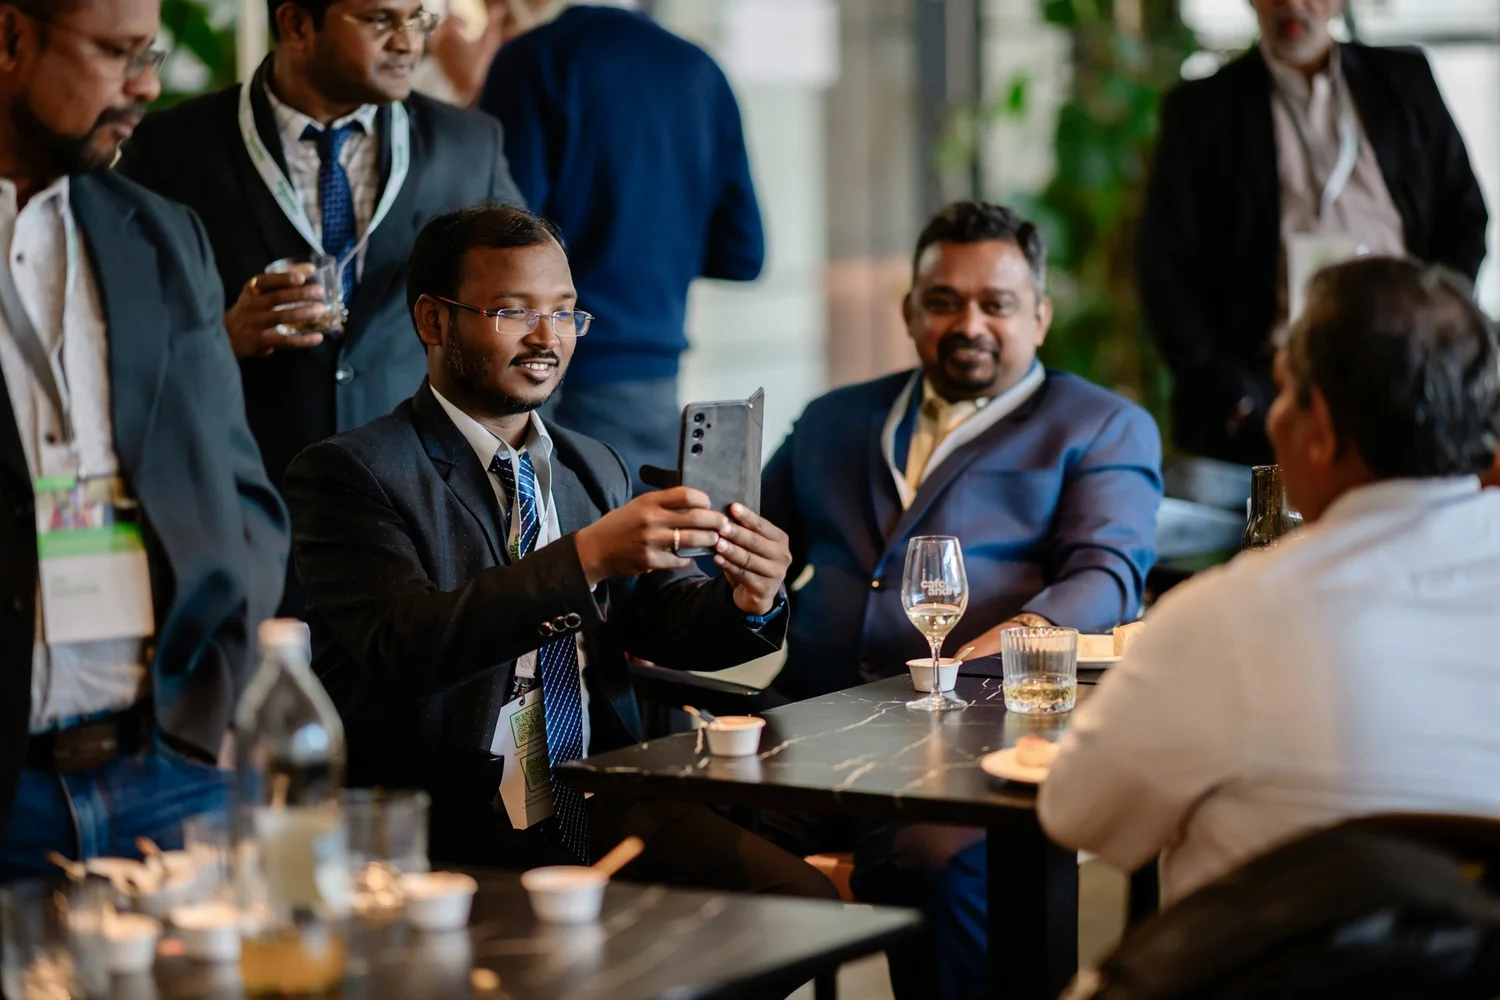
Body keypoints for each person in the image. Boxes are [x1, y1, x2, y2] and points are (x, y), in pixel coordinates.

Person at [283, 203, 834, 901]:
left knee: (802, 904)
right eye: (514, 311)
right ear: (432, 320)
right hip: (457, 819)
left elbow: (656, 614)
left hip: (600, 793)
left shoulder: (589, 464)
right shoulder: (350, 472)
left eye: (566, 312)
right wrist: (585, 559)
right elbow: (404, 644)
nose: (548, 337)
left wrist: (749, 598)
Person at [756, 201, 1162, 998]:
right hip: (808, 733)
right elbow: (749, 547)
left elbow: (1107, 574)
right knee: (685, 833)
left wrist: (1023, 632)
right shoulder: (835, 419)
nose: (968, 323)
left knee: (930, 860)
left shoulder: (1101, 426)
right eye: (943, 302)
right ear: (910, 311)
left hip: (980, 747)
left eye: (996, 304)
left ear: (1039, 316)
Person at [1041, 257, 1500, 905]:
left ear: (1324, 434)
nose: (1272, 419)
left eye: (1284, 392)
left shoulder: (1233, 618)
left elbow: (1075, 812)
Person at [0, 0, 287, 881]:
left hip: (169, 770)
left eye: (150, 52)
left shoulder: (163, 235)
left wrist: (221, 696)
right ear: (11, 38)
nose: (147, 85)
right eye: (115, 52)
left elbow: (236, 487)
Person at [117, 0, 523, 612]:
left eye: (418, 19)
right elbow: (119, 338)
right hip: (245, 508)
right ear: (298, 24)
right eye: (380, 20)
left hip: (422, 513)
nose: (406, 40)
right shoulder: (171, 149)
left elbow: (527, 315)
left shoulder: (467, 144)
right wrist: (219, 339)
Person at [1139, 0, 1487, 466]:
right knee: (1268, 534)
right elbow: (1164, 263)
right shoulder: (1203, 109)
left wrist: (1438, 324)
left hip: (1406, 366)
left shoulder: (1404, 81)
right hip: (1273, 381)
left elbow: (1465, 213)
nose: (1292, 4)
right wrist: (1224, 385)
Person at [479, 0, 764, 491]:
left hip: (545, 374)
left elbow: (498, 243)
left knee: (548, 557)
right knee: (653, 555)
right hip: (654, 377)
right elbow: (743, 253)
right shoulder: (698, 70)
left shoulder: (535, 60)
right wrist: (652, 248)